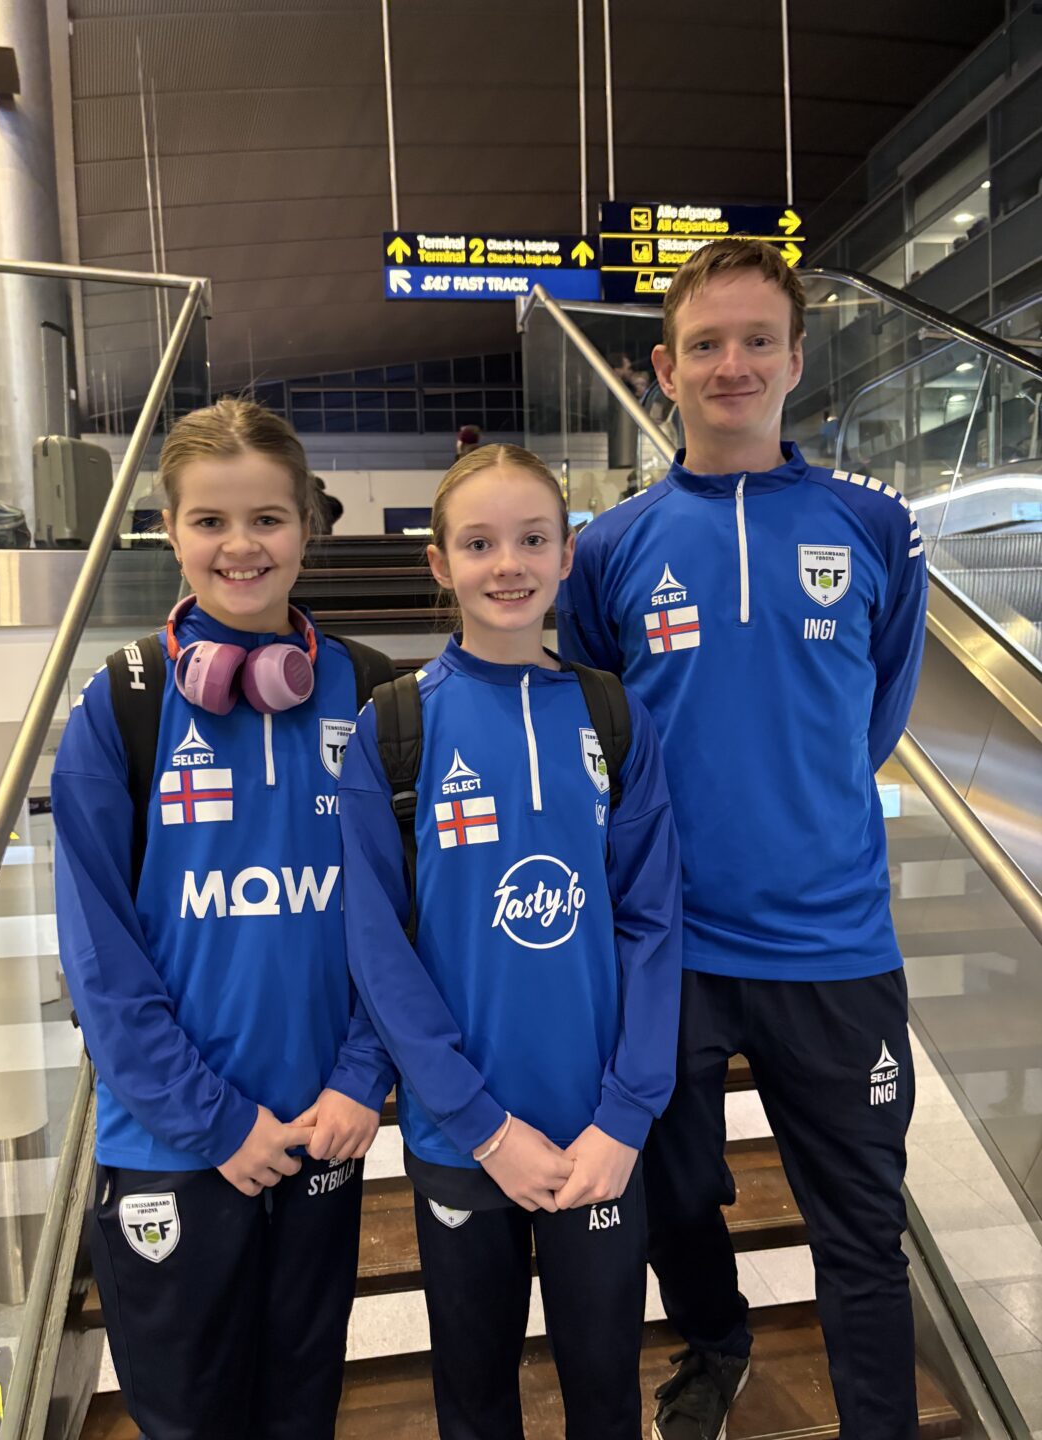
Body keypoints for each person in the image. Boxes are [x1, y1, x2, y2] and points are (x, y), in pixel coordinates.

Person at [557, 239, 928, 1440]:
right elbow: (598, 734)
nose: (734, 364)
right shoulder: (609, 549)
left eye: (757, 340)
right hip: (672, 944)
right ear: (665, 370)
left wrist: (796, 794)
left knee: (863, 1229)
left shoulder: (876, 528)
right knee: (672, 1193)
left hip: (836, 947)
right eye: (706, 344)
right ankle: (715, 1343)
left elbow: (873, 719)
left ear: (797, 359)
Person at [52, 399, 394, 1440]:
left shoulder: (373, 694)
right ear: (169, 530)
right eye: (210, 521)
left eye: (268, 519)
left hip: (324, 1129)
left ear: (308, 527)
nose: (240, 546)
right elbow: (101, 961)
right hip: (173, 1141)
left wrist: (360, 1078)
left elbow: (403, 924)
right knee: (192, 1419)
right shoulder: (123, 704)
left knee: (301, 1407)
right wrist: (215, 1122)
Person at [338, 443, 684, 1439]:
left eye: (533, 539)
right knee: (476, 1394)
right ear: (440, 562)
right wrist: (482, 1125)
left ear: (568, 555)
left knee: (605, 1393)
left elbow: (652, 923)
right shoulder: (394, 730)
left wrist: (626, 1114)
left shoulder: (613, 717)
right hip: (461, 1138)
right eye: (479, 543)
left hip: (597, 1134)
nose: (509, 564)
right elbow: (379, 952)